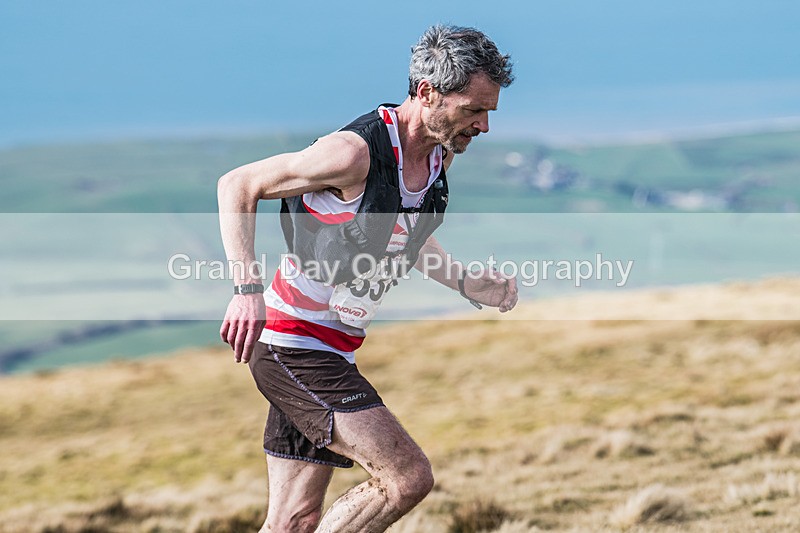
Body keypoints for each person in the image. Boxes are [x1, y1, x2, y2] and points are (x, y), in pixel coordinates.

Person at [217, 24, 517, 533]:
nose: (484, 125)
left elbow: (404, 234)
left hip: (334, 348)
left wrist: (466, 283)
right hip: (293, 347)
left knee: (293, 520)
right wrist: (246, 291)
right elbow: (237, 184)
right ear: (427, 93)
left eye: (489, 111)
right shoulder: (353, 154)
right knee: (407, 478)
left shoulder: (436, 154)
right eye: (473, 109)